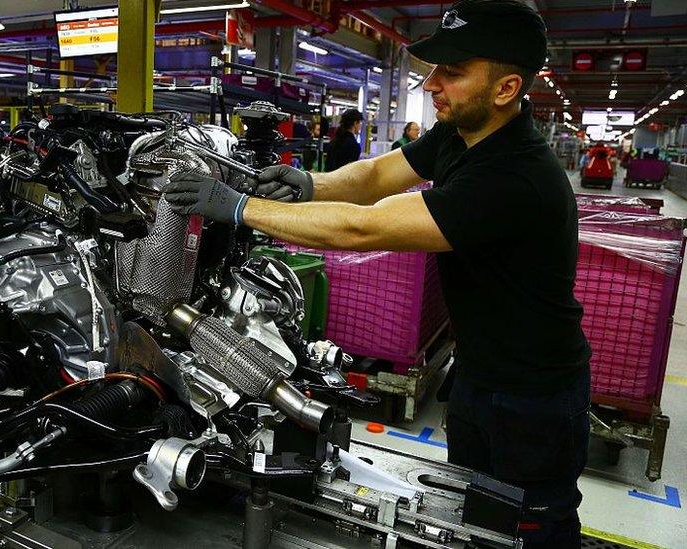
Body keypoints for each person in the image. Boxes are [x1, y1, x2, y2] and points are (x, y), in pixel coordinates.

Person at [163, 1, 590, 547]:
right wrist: (310, 183)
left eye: (453, 74)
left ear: (506, 88)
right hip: (480, 375)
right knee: (475, 517)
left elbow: (366, 228)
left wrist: (241, 207)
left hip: (533, 396)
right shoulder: (462, 134)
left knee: (532, 526)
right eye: (435, 69)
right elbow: (375, 175)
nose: (433, 84)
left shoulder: (515, 176)